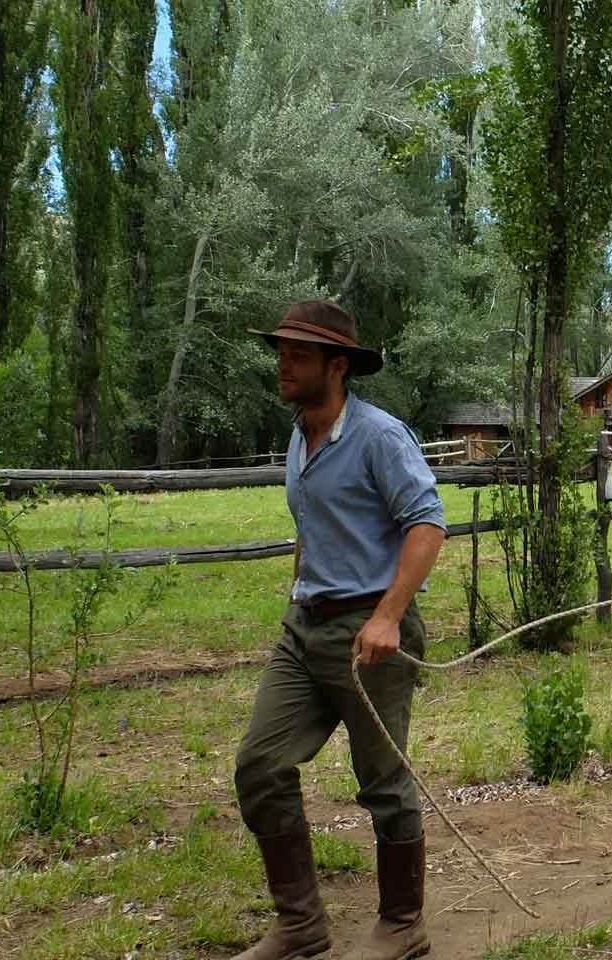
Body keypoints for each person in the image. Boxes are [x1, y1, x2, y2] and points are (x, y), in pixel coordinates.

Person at [233, 300, 447, 960]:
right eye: (281, 353)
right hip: (304, 629)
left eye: (298, 356)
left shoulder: (380, 436)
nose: (283, 365)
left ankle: (403, 925)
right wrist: (300, 592)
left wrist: (387, 617)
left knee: (383, 781)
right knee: (260, 764)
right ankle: (300, 924)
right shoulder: (300, 436)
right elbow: (315, 526)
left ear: (338, 366)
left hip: (369, 632)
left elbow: (427, 524)